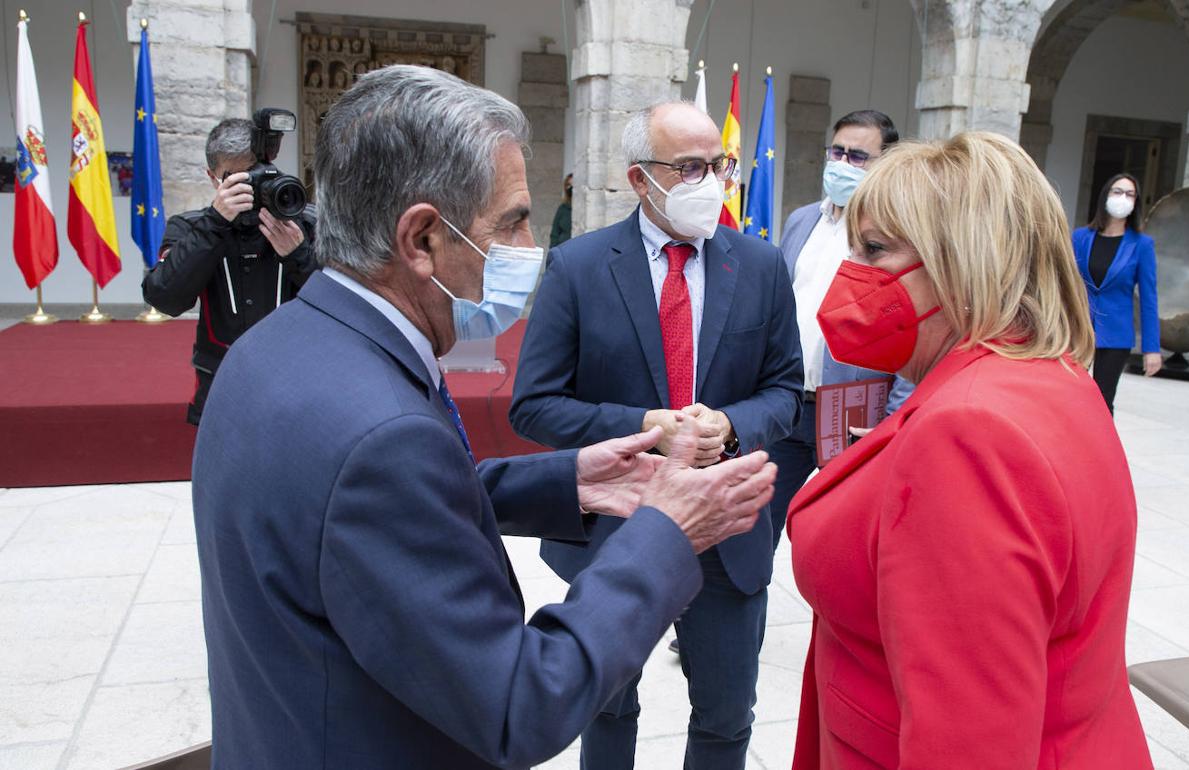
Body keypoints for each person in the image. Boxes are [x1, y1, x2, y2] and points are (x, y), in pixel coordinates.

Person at [192, 66, 779, 770]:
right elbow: (521, 706)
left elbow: (370, 513)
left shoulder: (275, 344)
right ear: (422, 239)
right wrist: (667, 530)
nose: (530, 248)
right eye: (512, 221)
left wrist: (567, 481)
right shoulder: (384, 440)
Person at [787, 132, 1151, 769]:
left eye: (874, 250)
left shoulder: (967, 434)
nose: (852, 274)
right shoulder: (1051, 374)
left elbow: (967, 744)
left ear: (960, 262)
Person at [510, 101, 803, 770]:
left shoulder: (760, 266)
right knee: (608, 707)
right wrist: (643, 426)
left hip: (725, 528)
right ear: (640, 179)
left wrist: (730, 424)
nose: (712, 183)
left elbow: (787, 392)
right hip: (616, 526)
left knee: (727, 716)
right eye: (690, 168)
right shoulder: (580, 267)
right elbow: (534, 406)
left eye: (720, 166)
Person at [770, 109, 913, 548]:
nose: (843, 164)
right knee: (753, 530)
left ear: (885, 164)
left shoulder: (898, 235)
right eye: (837, 152)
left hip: (853, 413)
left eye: (858, 156)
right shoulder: (801, 221)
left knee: (840, 539)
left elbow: (911, 330)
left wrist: (893, 421)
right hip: (788, 402)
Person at [142, 117, 317, 425]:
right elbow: (165, 298)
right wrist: (215, 223)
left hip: (298, 380)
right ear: (213, 179)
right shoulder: (192, 228)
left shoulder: (305, 224)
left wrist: (298, 254)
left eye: (255, 173)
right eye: (237, 179)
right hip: (222, 382)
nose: (250, 187)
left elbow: (345, 300)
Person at [1073, 172, 1162, 413]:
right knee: (1070, 396)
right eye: (1117, 191)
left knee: (1102, 403)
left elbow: (1149, 299)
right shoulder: (1080, 238)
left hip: (1116, 334)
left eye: (1130, 194)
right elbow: (1065, 284)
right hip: (1079, 329)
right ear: (1106, 196)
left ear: (1135, 203)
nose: (1123, 198)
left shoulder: (1142, 245)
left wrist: (1152, 348)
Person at [549, 173, 572, 248]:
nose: (571, 188)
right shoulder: (563, 208)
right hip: (563, 247)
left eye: (573, 185)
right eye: (568, 185)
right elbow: (554, 233)